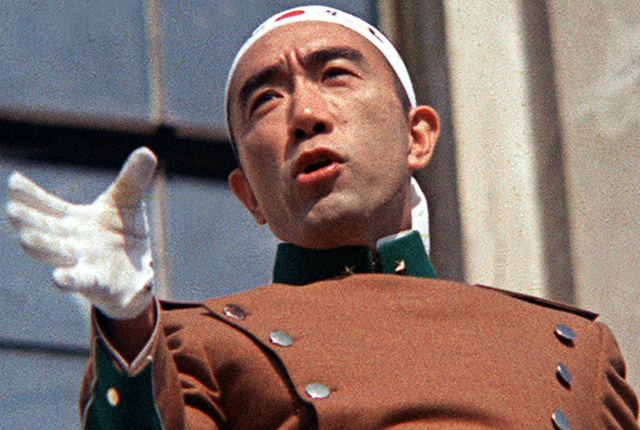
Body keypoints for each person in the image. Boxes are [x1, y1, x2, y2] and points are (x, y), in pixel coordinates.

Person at [5, 6, 639, 430]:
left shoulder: (573, 349)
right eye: (265, 99)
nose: (305, 114)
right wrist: (128, 324)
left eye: (335, 74)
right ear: (249, 196)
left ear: (418, 137)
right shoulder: (187, 345)